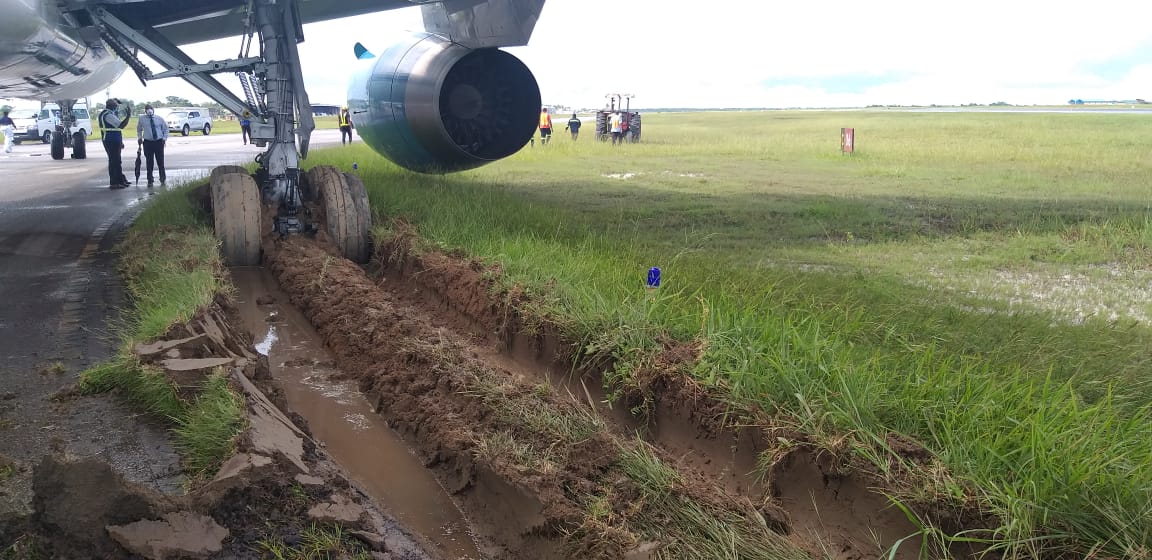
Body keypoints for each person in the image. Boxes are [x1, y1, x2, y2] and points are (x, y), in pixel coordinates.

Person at [98, 99, 131, 189]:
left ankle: (120, 180)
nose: (117, 107)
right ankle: (114, 182)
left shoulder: (105, 113)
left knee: (116, 161)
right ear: (112, 106)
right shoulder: (109, 115)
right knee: (114, 161)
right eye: (116, 106)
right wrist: (128, 116)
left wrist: (120, 141)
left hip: (113, 139)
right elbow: (121, 125)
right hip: (111, 140)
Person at [136, 104, 169, 187]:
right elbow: (139, 129)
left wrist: (164, 138)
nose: (149, 110)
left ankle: (162, 178)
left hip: (158, 142)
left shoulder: (159, 118)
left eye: (150, 108)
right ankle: (150, 179)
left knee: (160, 161)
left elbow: (166, 129)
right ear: (145, 111)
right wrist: (139, 137)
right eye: (147, 109)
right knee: (149, 162)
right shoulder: (142, 119)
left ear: (153, 110)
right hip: (148, 142)